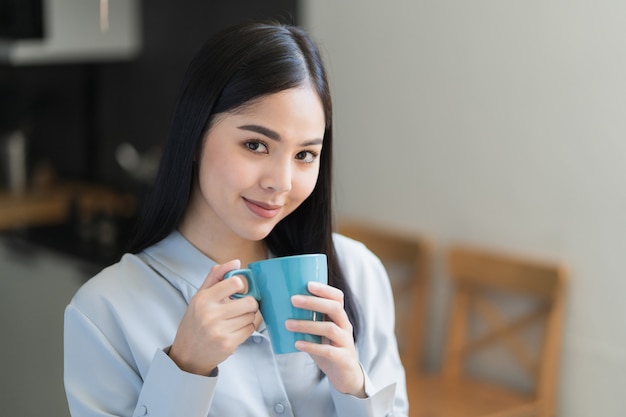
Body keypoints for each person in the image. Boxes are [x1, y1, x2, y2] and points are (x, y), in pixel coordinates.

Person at [64, 21, 408, 417]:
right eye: (256, 145)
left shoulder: (359, 272)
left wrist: (355, 389)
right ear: (194, 137)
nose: (280, 183)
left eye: (305, 155)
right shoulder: (103, 312)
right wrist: (185, 369)